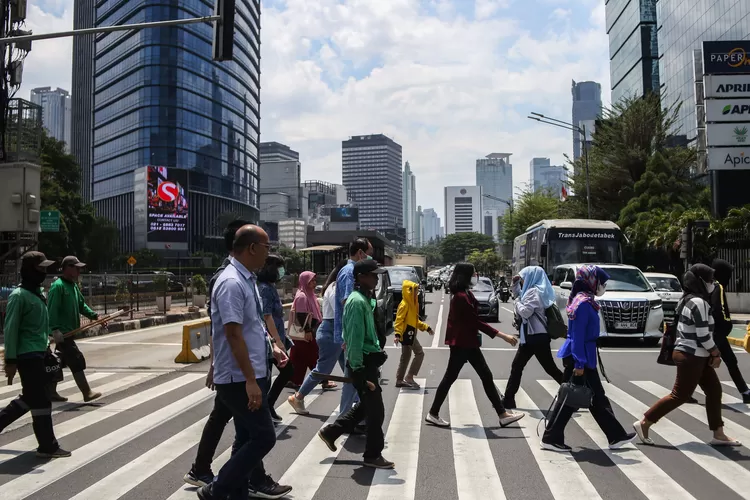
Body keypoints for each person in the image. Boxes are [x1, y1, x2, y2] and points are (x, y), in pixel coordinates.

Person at [197, 225, 292, 500]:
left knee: (245, 437)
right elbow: (233, 333)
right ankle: (217, 488)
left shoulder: (247, 278)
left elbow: (253, 325)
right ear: (252, 248)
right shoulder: (231, 283)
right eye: (267, 248)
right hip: (239, 378)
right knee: (264, 437)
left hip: (251, 371)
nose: (269, 254)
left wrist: (272, 346)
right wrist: (251, 380)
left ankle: (234, 492)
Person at [634, 264, 740, 447]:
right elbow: (703, 335)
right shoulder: (699, 303)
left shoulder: (688, 299)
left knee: (714, 391)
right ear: (699, 281)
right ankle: (645, 422)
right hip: (692, 356)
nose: (712, 283)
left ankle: (718, 433)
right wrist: (715, 352)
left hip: (693, 354)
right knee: (680, 395)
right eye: (709, 280)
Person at [542, 265, 635, 452]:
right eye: (602, 282)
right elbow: (577, 335)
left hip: (584, 355)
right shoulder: (583, 304)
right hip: (580, 357)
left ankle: (615, 436)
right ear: (591, 281)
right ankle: (551, 437)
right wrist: (580, 363)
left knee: (593, 398)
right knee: (572, 398)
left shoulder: (585, 301)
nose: (603, 286)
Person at [425, 263, 524, 428]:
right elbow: (475, 322)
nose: (475, 276)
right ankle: (433, 413)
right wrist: (502, 335)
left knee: (485, 375)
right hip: (462, 344)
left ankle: (502, 414)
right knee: (453, 377)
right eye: (473, 273)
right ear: (465, 276)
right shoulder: (460, 297)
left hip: (467, 343)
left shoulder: (465, 293)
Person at [317, 259, 393, 469]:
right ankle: (372, 455)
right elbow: (355, 338)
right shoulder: (356, 302)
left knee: (365, 406)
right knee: (376, 412)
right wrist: (358, 370)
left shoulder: (365, 299)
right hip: (363, 363)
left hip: (369, 360)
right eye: (373, 275)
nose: (376, 278)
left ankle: (332, 431)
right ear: (361, 277)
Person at [0, 251, 70, 458]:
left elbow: (40, 327)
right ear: (29, 270)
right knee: (36, 398)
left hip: (39, 352)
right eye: (41, 269)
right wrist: (10, 360)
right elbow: (10, 330)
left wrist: (51, 337)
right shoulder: (19, 297)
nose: (44, 272)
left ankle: (47, 445)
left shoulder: (38, 294)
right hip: (26, 356)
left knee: (38, 399)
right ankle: (47, 445)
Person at [288, 261, 347, 415]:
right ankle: (298, 396)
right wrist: (307, 330)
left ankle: (354, 403)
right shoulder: (335, 289)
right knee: (322, 369)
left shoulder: (320, 292)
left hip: (331, 331)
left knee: (349, 368)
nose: (314, 283)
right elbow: (339, 313)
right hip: (330, 331)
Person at [502, 266, 564, 409]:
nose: (522, 281)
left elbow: (525, 312)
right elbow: (517, 293)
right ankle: (508, 399)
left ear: (531, 278)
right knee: (517, 366)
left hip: (537, 338)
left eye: (523, 278)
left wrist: (517, 302)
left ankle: (572, 394)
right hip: (530, 337)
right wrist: (514, 283)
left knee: (550, 369)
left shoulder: (533, 292)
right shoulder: (535, 291)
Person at [46, 256, 101, 403]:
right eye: (76, 268)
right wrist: (55, 330)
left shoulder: (73, 286)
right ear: (67, 268)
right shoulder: (58, 286)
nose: (79, 271)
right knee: (76, 359)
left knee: (57, 362)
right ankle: (86, 392)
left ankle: (50, 392)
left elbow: (81, 305)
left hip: (70, 331)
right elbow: (52, 310)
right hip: (63, 333)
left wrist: (94, 316)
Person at [335, 238, 372, 416]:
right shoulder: (350, 271)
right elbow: (348, 304)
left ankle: (354, 415)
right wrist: (348, 337)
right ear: (360, 253)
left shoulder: (348, 270)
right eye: (367, 255)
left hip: (349, 335)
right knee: (352, 378)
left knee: (354, 379)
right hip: (350, 335)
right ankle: (344, 420)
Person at [258, 254, 295, 422]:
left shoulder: (271, 287)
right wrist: (277, 342)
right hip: (270, 341)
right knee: (282, 372)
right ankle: (264, 408)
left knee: (284, 371)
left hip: (277, 338)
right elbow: (267, 316)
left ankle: (267, 406)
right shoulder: (265, 288)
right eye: (279, 267)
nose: (282, 271)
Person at [710, 259, 750, 403]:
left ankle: (744, 391)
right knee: (726, 361)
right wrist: (727, 323)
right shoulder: (718, 287)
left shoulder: (710, 286)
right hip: (717, 332)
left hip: (714, 332)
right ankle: (744, 391)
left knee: (730, 360)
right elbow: (718, 309)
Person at [393, 279, 433, 389]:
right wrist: (397, 334)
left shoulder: (412, 304)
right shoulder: (404, 304)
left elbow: (415, 321)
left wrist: (426, 327)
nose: (417, 292)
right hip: (406, 334)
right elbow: (399, 320)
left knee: (406, 357)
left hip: (410, 333)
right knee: (419, 353)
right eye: (415, 290)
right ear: (409, 291)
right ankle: (409, 376)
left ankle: (400, 380)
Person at [287, 272, 322, 389]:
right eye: (311, 281)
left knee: (298, 358)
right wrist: (307, 331)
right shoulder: (302, 296)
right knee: (314, 355)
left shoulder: (310, 294)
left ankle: (293, 380)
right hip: (304, 332)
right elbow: (301, 315)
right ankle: (322, 379)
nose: (314, 283)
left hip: (306, 332)